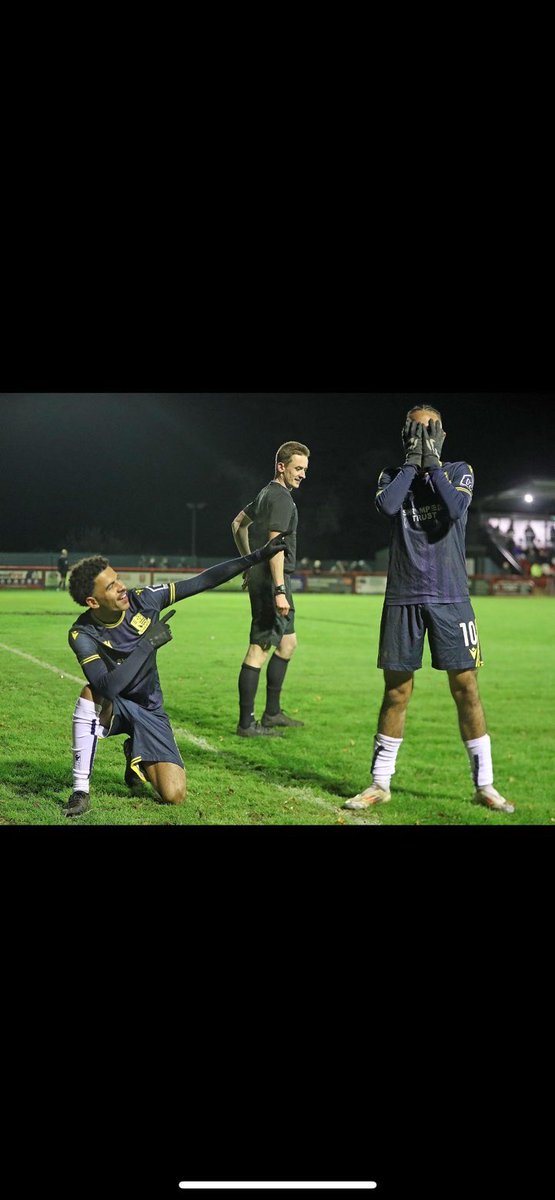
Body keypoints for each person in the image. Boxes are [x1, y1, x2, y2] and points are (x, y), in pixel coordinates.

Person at [343, 405, 515, 816]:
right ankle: (379, 784)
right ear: (404, 433)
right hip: (403, 595)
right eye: (415, 429)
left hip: (451, 596)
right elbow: (387, 508)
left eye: (429, 428)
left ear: (441, 432)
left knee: (466, 688)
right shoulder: (392, 475)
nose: (421, 435)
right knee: (397, 691)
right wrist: (411, 465)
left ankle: (484, 785)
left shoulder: (458, 470)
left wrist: (434, 464)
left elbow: (455, 510)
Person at [62, 535, 287, 816]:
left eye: (118, 579)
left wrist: (255, 557)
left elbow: (203, 581)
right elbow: (107, 686)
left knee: (174, 795)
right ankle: (80, 791)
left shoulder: (144, 600)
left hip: (151, 709)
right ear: (93, 602)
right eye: (111, 586)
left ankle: (135, 752)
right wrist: (147, 644)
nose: (122, 588)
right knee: (90, 693)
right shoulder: (82, 633)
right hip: (114, 704)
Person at [231, 440, 310, 736]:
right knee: (259, 648)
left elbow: (238, 524)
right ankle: (246, 724)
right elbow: (276, 547)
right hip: (273, 582)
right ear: (281, 466)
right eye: (297, 468)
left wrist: (249, 563)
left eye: (304, 469)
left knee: (288, 644)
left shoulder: (267, 493)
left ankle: (272, 714)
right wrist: (278, 590)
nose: (302, 474)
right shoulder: (281, 499)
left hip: (266, 576)